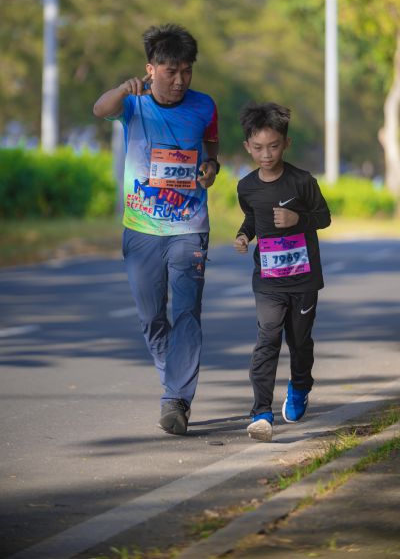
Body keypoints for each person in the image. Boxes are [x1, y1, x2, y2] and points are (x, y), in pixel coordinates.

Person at [93, 24, 220, 436]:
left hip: (189, 226)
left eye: (187, 71)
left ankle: (177, 398)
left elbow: (212, 149)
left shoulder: (205, 106)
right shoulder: (133, 104)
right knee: (151, 317)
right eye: (170, 71)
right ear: (151, 69)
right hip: (141, 227)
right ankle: (174, 380)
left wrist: (211, 168)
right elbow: (100, 109)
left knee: (186, 313)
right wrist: (122, 90)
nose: (180, 80)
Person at [234, 103, 331, 442]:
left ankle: (301, 385)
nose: (266, 154)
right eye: (258, 147)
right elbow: (252, 217)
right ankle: (261, 412)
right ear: (248, 146)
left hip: (303, 279)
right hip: (268, 280)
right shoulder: (246, 187)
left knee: (300, 340)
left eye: (273, 146)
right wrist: (244, 235)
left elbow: (324, 217)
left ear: (286, 143)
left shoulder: (302, 182)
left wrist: (297, 219)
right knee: (268, 337)